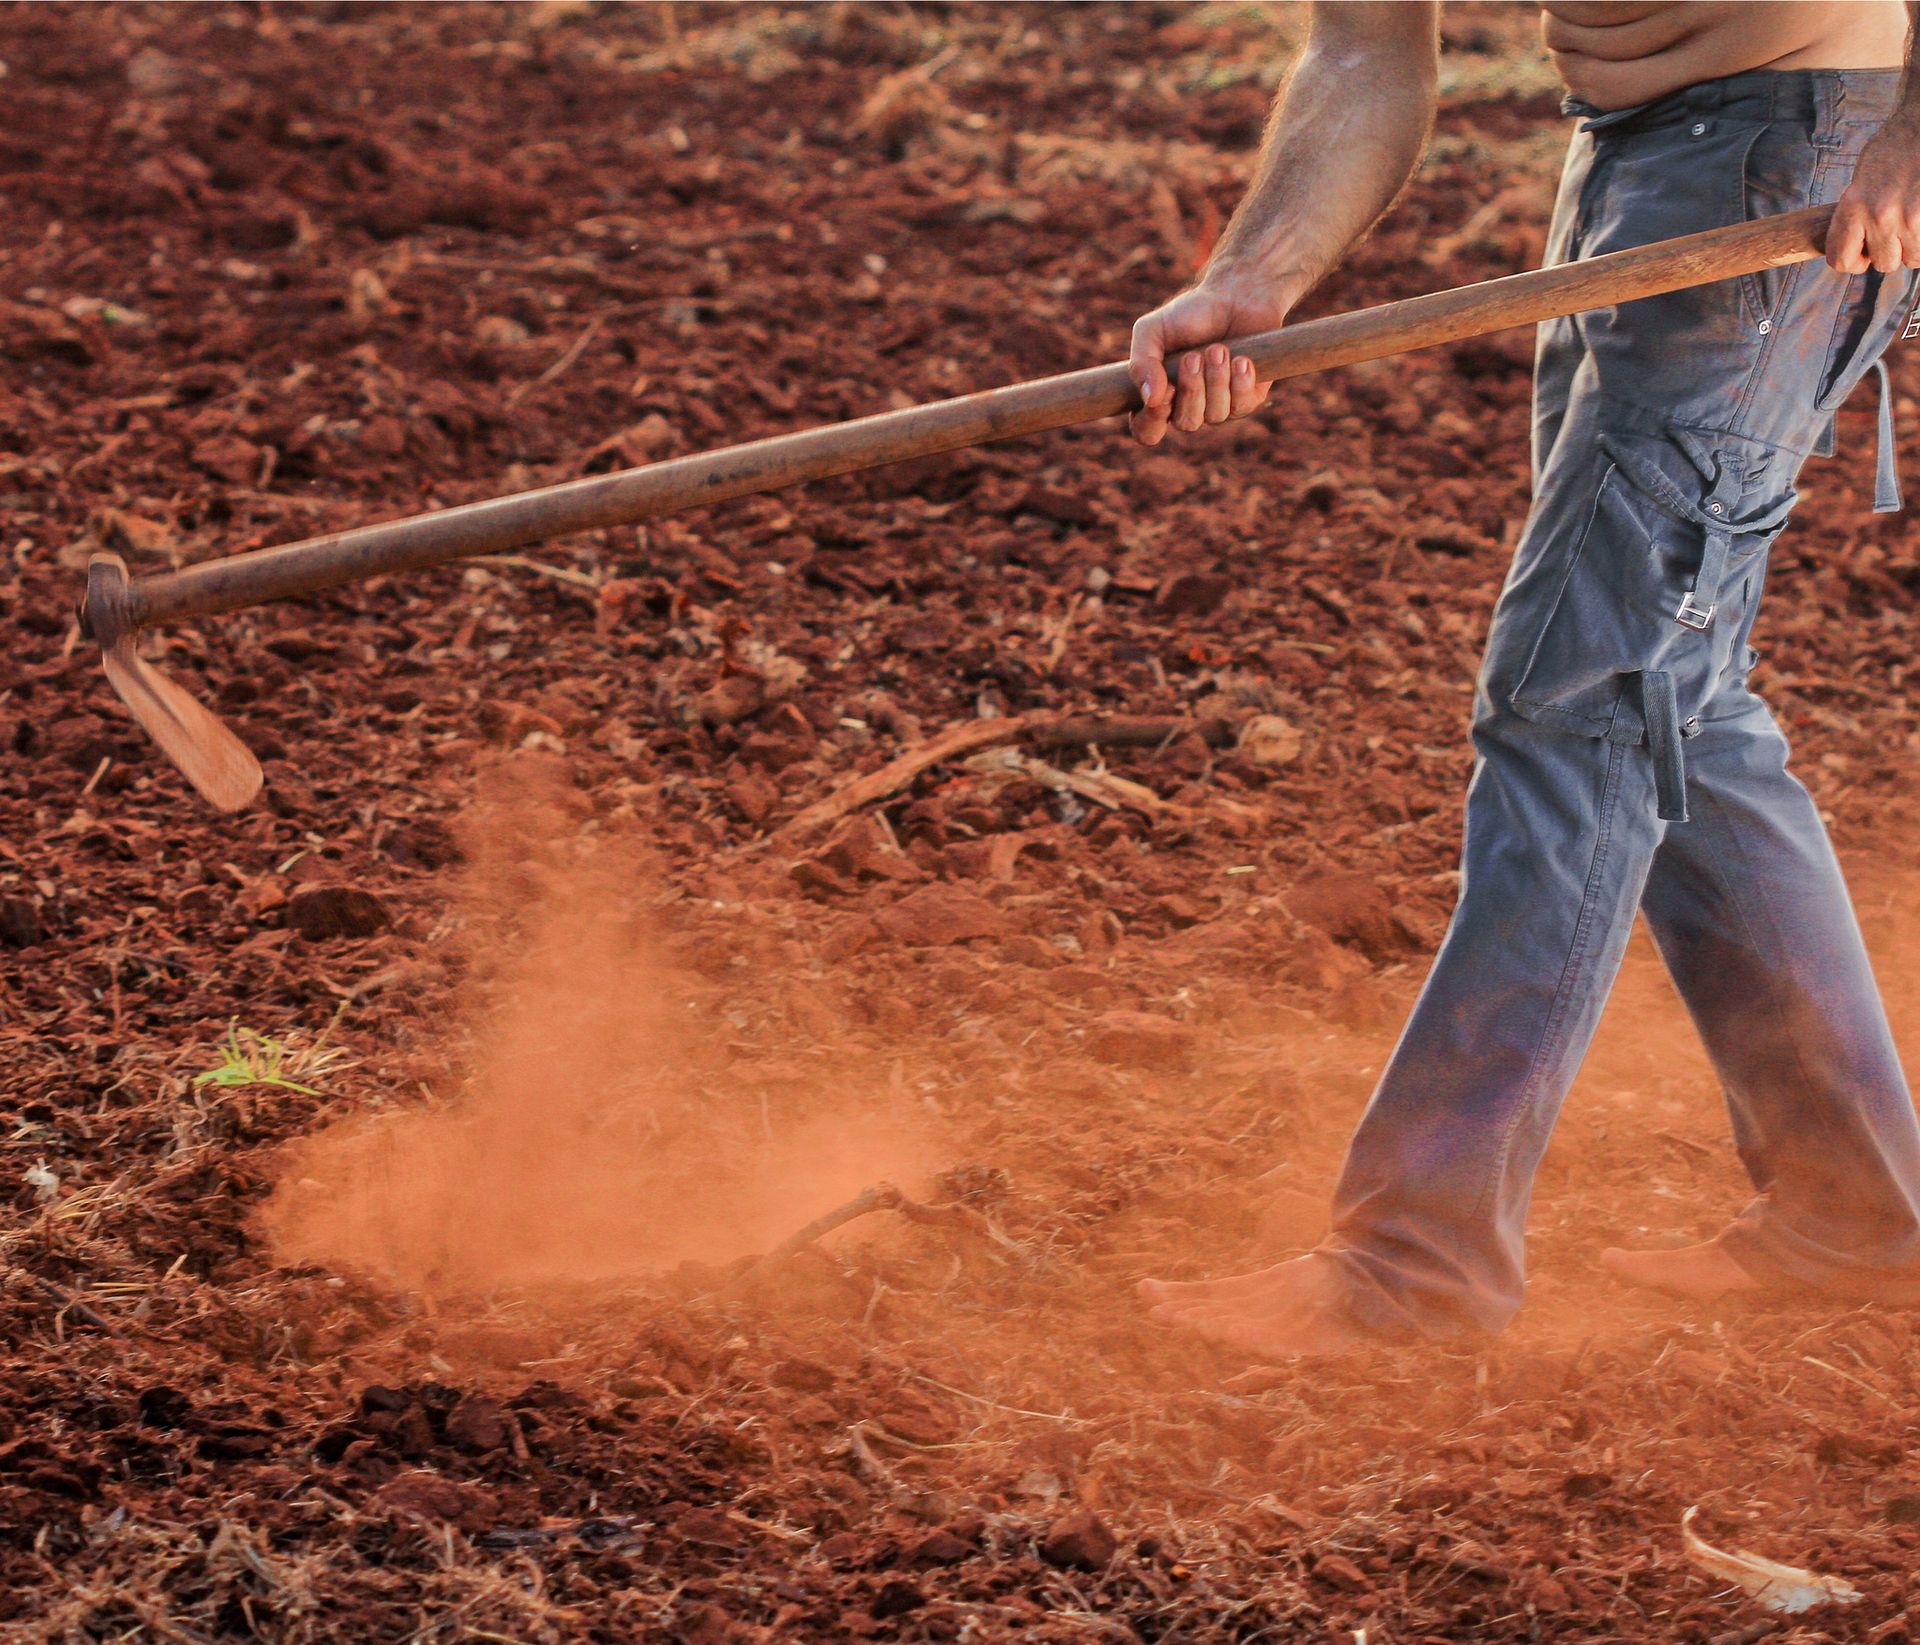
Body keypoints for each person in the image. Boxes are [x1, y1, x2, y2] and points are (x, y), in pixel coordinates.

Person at [1131, 1, 1920, 1358]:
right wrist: (1256, 277)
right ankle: (1861, 1205)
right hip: (1640, 156)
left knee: (1585, 696)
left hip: (1800, 156)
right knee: (1672, 695)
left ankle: (1415, 1263)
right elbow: (1367, 48)